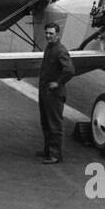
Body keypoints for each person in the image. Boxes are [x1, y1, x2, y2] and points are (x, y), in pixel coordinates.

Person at [37, 22, 75, 164]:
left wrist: (58, 83)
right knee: (46, 123)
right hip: (46, 92)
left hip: (54, 94)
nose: (48, 36)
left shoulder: (60, 50)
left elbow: (70, 70)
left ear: (57, 35)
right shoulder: (50, 47)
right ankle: (48, 150)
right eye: (47, 33)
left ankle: (56, 155)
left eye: (51, 34)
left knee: (54, 124)